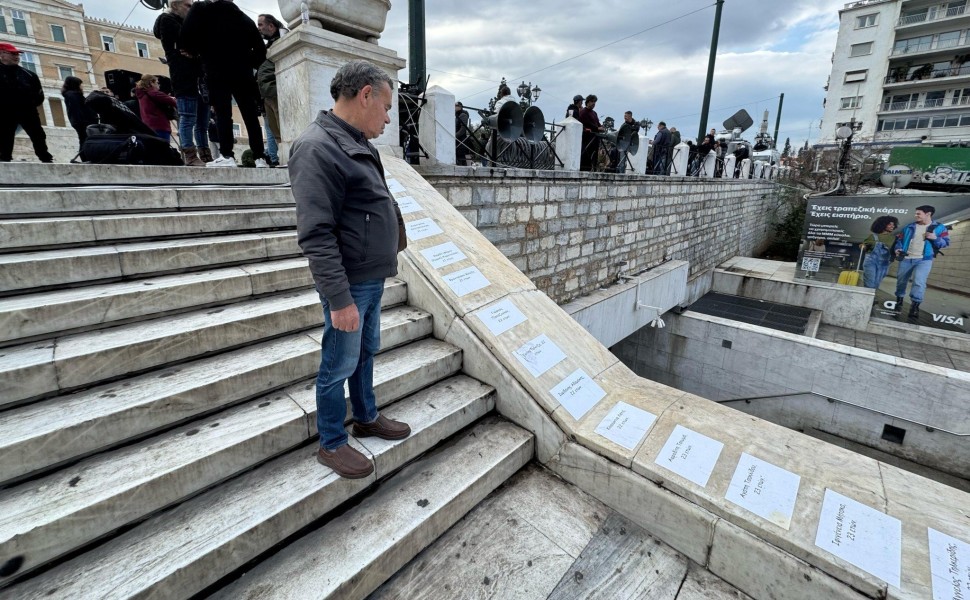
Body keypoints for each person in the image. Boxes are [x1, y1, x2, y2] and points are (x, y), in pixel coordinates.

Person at [289, 60, 410, 479]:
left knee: (364, 354)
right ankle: (332, 442)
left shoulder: (354, 141)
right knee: (338, 363)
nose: (388, 116)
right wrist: (339, 300)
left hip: (370, 276)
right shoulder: (317, 147)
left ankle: (366, 416)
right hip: (349, 283)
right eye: (387, 106)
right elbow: (317, 234)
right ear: (365, 95)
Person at [180, 0, 268, 168]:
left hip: (216, 70)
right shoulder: (244, 18)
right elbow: (260, 50)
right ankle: (260, 157)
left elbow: (186, 36)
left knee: (223, 114)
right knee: (250, 115)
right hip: (242, 72)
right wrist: (247, 62)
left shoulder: (202, 10)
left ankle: (227, 155)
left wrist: (197, 52)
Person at [154, 0, 209, 166]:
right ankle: (190, 155)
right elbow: (185, 41)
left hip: (198, 77)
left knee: (202, 122)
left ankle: (204, 153)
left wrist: (195, 51)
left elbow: (197, 44)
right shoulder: (167, 20)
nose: (191, 8)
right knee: (188, 117)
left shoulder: (186, 23)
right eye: (187, 5)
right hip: (183, 76)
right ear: (176, 6)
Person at [893, 205, 950, 318]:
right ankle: (899, 300)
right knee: (901, 281)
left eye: (918, 213)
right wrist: (897, 249)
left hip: (924, 259)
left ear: (928, 214)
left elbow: (946, 243)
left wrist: (935, 238)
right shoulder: (909, 227)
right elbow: (899, 240)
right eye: (916, 213)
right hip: (906, 258)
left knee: (919, 282)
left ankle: (915, 306)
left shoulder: (940, 228)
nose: (916, 215)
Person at [0, 42, 53, 163]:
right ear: (2, 54)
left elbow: (39, 94)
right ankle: (4, 157)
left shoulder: (29, 74)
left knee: (38, 134)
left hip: (27, 111)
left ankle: (45, 156)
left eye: (17, 54)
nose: (16, 56)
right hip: (4, 111)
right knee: (5, 135)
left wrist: (30, 104)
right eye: (12, 54)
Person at [257, 13, 286, 157]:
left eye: (261, 24)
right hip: (267, 93)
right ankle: (283, 157)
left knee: (284, 130)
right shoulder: (268, 45)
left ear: (271, 26)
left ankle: (288, 157)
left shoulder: (282, 39)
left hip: (275, 90)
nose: (259, 28)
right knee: (276, 132)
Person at [135, 73, 177, 141]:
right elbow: (175, 103)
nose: (159, 85)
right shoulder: (154, 93)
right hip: (160, 126)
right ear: (151, 82)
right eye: (157, 82)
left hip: (148, 127)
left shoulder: (142, 95)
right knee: (164, 149)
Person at [860, 215, 899, 289]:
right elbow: (865, 245)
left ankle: (872, 297)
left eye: (893, 224)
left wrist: (897, 253)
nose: (892, 226)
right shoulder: (873, 236)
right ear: (883, 224)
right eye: (890, 224)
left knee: (876, 283)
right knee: (869, 282)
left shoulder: (894, 238)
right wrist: (863, 246)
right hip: (870, 262)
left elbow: (896, 249)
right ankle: (868, 298)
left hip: (884, 264)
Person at [61, 76, 97, 151]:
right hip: (82, 122)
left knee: (83, 138)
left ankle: (84, 156)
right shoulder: (73, 95)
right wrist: (83, 121)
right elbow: (76, 109)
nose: (82, 86)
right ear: (75, 85)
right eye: (80, 84)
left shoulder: (72, 95)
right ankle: (84, 156)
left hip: (80, 121)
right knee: (84, 138)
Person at [577, 94, 603, 172]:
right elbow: (586, 123)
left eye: (594, 102)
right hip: (587, 138)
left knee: (594, 156)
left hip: (595, 138)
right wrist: (597, 128)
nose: (593, 103)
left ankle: (594, 170)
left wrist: (601, 127)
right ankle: (585, 170)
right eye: (592, 101)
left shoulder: (594, 113)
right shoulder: (583, 112)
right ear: (587, 102)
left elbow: (597, 123)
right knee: (586, 156)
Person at [455, 101, 471, 166]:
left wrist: (455, 136)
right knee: (458, 156)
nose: (454, 107)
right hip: (457, 139)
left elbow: (463, 129)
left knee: (461, 156)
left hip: (461, 139)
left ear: (460, 107)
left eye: (456, 105)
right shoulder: (457, 115)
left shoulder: (463, 115)